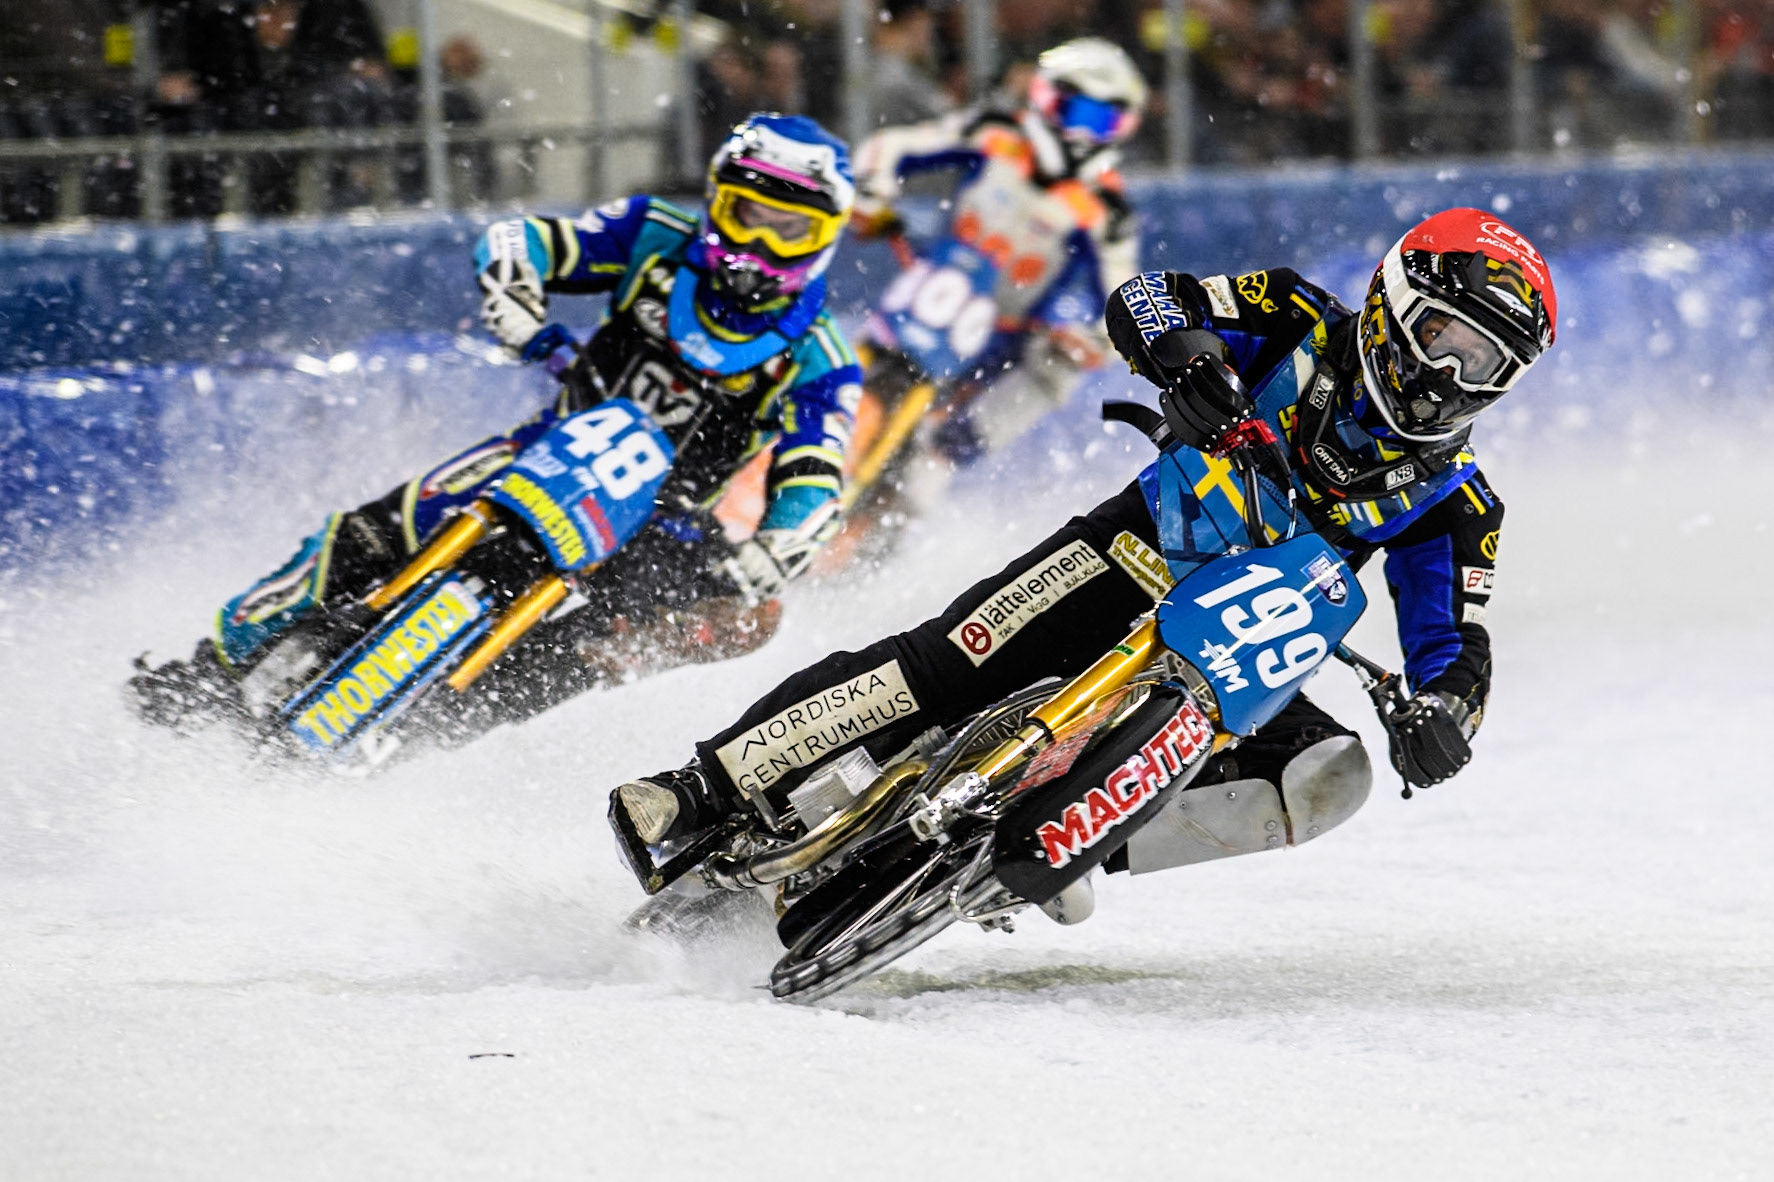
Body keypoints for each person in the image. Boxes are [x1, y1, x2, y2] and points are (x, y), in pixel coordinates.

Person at [611, 208, 1556, 914]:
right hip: (1133, 551)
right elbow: (1148, 298)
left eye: (1488, 365)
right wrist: (1188, 369)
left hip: (1248, 648)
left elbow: (1454, 640)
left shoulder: (1461, 501)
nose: (1450, 377)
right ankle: (700, 788)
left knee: (1326, 776)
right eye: (1448, 338)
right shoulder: (1296, 314)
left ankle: (1064, 847)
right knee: (947, 663)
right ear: (1398, 301)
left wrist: (1444, 717)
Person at [131, 114, 864, 735]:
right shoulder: (654, 234)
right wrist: (518, 303)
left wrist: (773, 551)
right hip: (541, 453)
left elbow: (814, 476)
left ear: (823, 235)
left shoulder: (821, 359)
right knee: (366, 535)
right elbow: (527, 242)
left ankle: (437, 729)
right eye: (747, 215)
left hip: (660, 521)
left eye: (787, 227)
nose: (760, 244)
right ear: (716, 202)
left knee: (651, 631)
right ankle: (209, 671)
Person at [848, 37, 1147, 478]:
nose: (1085, 135)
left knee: (1053, 372)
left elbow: (1126, 300)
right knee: (846, 376)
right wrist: (871, 192)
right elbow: (891, 146)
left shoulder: (1107, 209)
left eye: (1103, 122)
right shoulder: (995, 132)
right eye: (1079, 114)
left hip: (1009, 339)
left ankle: (938, 463)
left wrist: (1095, 340)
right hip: (937, 291)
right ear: (1047, 100)